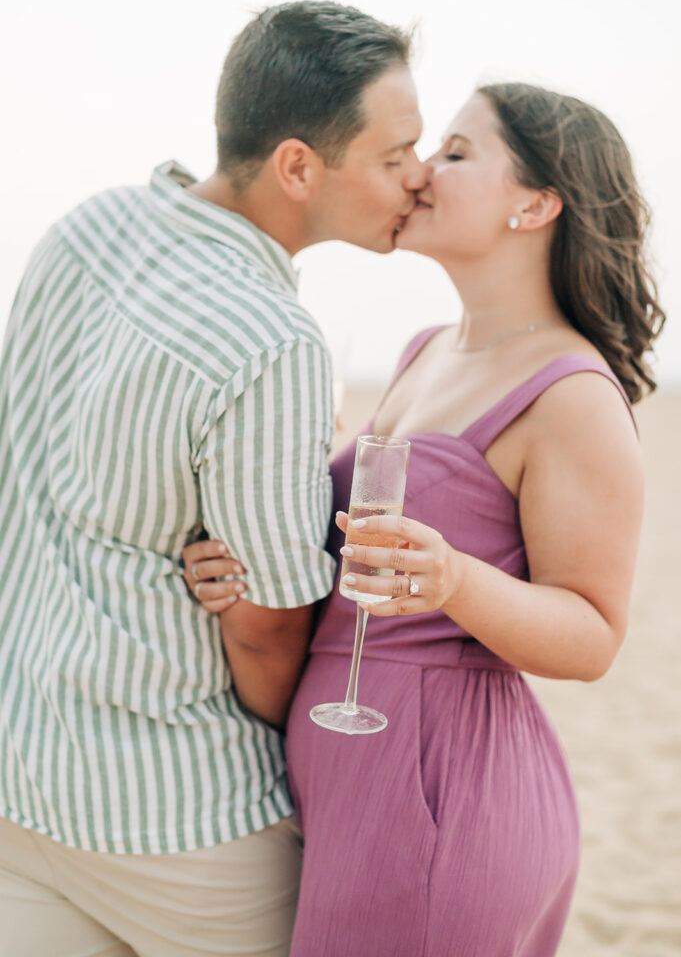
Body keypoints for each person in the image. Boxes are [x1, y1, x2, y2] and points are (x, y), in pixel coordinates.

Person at [186, 82, 664, 955]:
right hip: (344, 786)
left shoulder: (571, 396)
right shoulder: (426, 349)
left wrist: (452, 579)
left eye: (454, 152)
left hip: (446, 793)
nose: (419, 173)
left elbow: (592, 635)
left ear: (535, 203)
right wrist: (237, 565)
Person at [0, 1, 427, 957]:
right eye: (395, 156)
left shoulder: (88, 226)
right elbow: (271, 625)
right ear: (297, 166)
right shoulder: (269, 338)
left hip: (20, 782)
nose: (418, 178)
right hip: (182, 820)